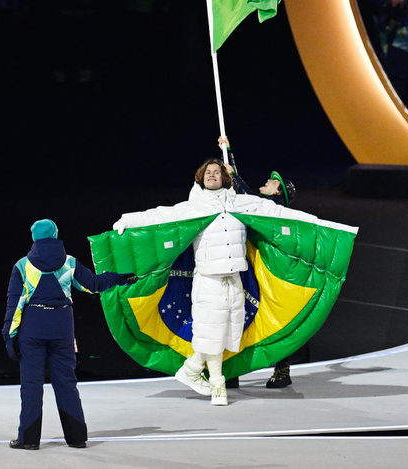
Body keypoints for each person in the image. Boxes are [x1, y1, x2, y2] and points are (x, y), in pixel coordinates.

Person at [112, 158, 333, 405]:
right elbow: (161, 214)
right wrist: (127, 220)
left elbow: (277, 212)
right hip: (209, 280)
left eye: (217, 172)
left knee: (228, 331)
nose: (212, 175)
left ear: (224, 177)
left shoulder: (240, 203)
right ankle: (218, 384)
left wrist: (316, 223)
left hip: (234, 279)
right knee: (212, 332)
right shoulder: (194, 207)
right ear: (200, 177)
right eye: (207, 172)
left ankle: (191, 370)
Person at [3, 218, 136, 450]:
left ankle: (29, 439)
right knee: (66, 382)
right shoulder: (69, 262)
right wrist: (116, 277)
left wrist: (9, 336)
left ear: (34, 238)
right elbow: (92, 284)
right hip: (62, 328)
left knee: (31, 385)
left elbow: (15, 305)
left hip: (32, 329)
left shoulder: (22, 266)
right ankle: (76, 438)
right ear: (55, 235)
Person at [219, 137, 301, 389]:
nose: (268, 180)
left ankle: (282, 369)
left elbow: (250, 199)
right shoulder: (261, 204)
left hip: (267, 271)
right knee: (238, 315)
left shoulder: (274, 208)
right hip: (248, 266)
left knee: (270, 317)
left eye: (273, 182)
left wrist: (234, 175)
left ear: (278, 193)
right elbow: (244, 196)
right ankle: (232, 370)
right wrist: (227, 151)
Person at [377, 0, 408, 116]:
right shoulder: (386, 14)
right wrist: (392, 18)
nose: (398, 0)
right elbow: (384, 31)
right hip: (395, 67)